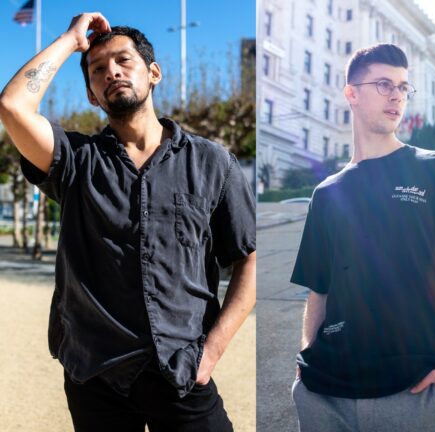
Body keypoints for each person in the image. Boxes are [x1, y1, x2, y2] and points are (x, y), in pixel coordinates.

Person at [0, 12, 256, 431]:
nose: (111, 72)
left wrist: (212, 351)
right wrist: (70, 40)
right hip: (95, 373)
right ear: (92, 96)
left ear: (154, 72)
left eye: (123, 61)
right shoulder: (74, 160)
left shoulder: (214, 163)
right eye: (98, 70)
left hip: (180, 369)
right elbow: (13, 105)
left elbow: (249, 259)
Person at [289, 43, 435, 431]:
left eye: (403, 87)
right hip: (327, 392)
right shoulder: (327, 192)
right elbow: (319, 290)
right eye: (384, 84)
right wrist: (306, 362)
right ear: (351, 93)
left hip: (416, 390)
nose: (397, 95)